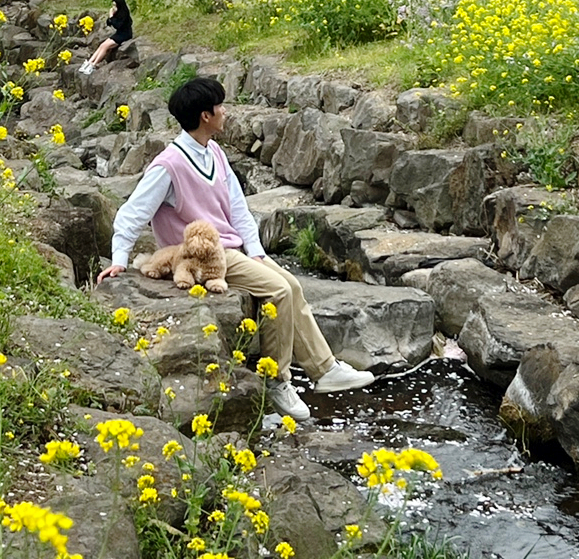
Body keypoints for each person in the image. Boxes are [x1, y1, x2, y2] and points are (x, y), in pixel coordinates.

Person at [96, 77, 375, 420]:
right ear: (205, 116)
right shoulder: (169, 165)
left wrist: (256, 251)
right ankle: (276, 381)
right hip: (200, 256)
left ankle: (325, 369)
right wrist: (119, 260)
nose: (225, 111)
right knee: (278, 291)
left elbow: (238, 208)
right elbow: (132, 213)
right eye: (220, 107)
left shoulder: (214, 152)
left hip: (230, 248)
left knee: (294, 285)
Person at [79, 0, 133, 75]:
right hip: (118, 34)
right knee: (102, 45)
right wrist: (111, 16)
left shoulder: (124, 14)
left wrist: (111, 17)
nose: (114, 7)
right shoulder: (117, 13)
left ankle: (94, 64)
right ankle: (89, 62)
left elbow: (117, 25)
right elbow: (109, 23)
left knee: (105, 46)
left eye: (115, 5)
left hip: (125, 35)